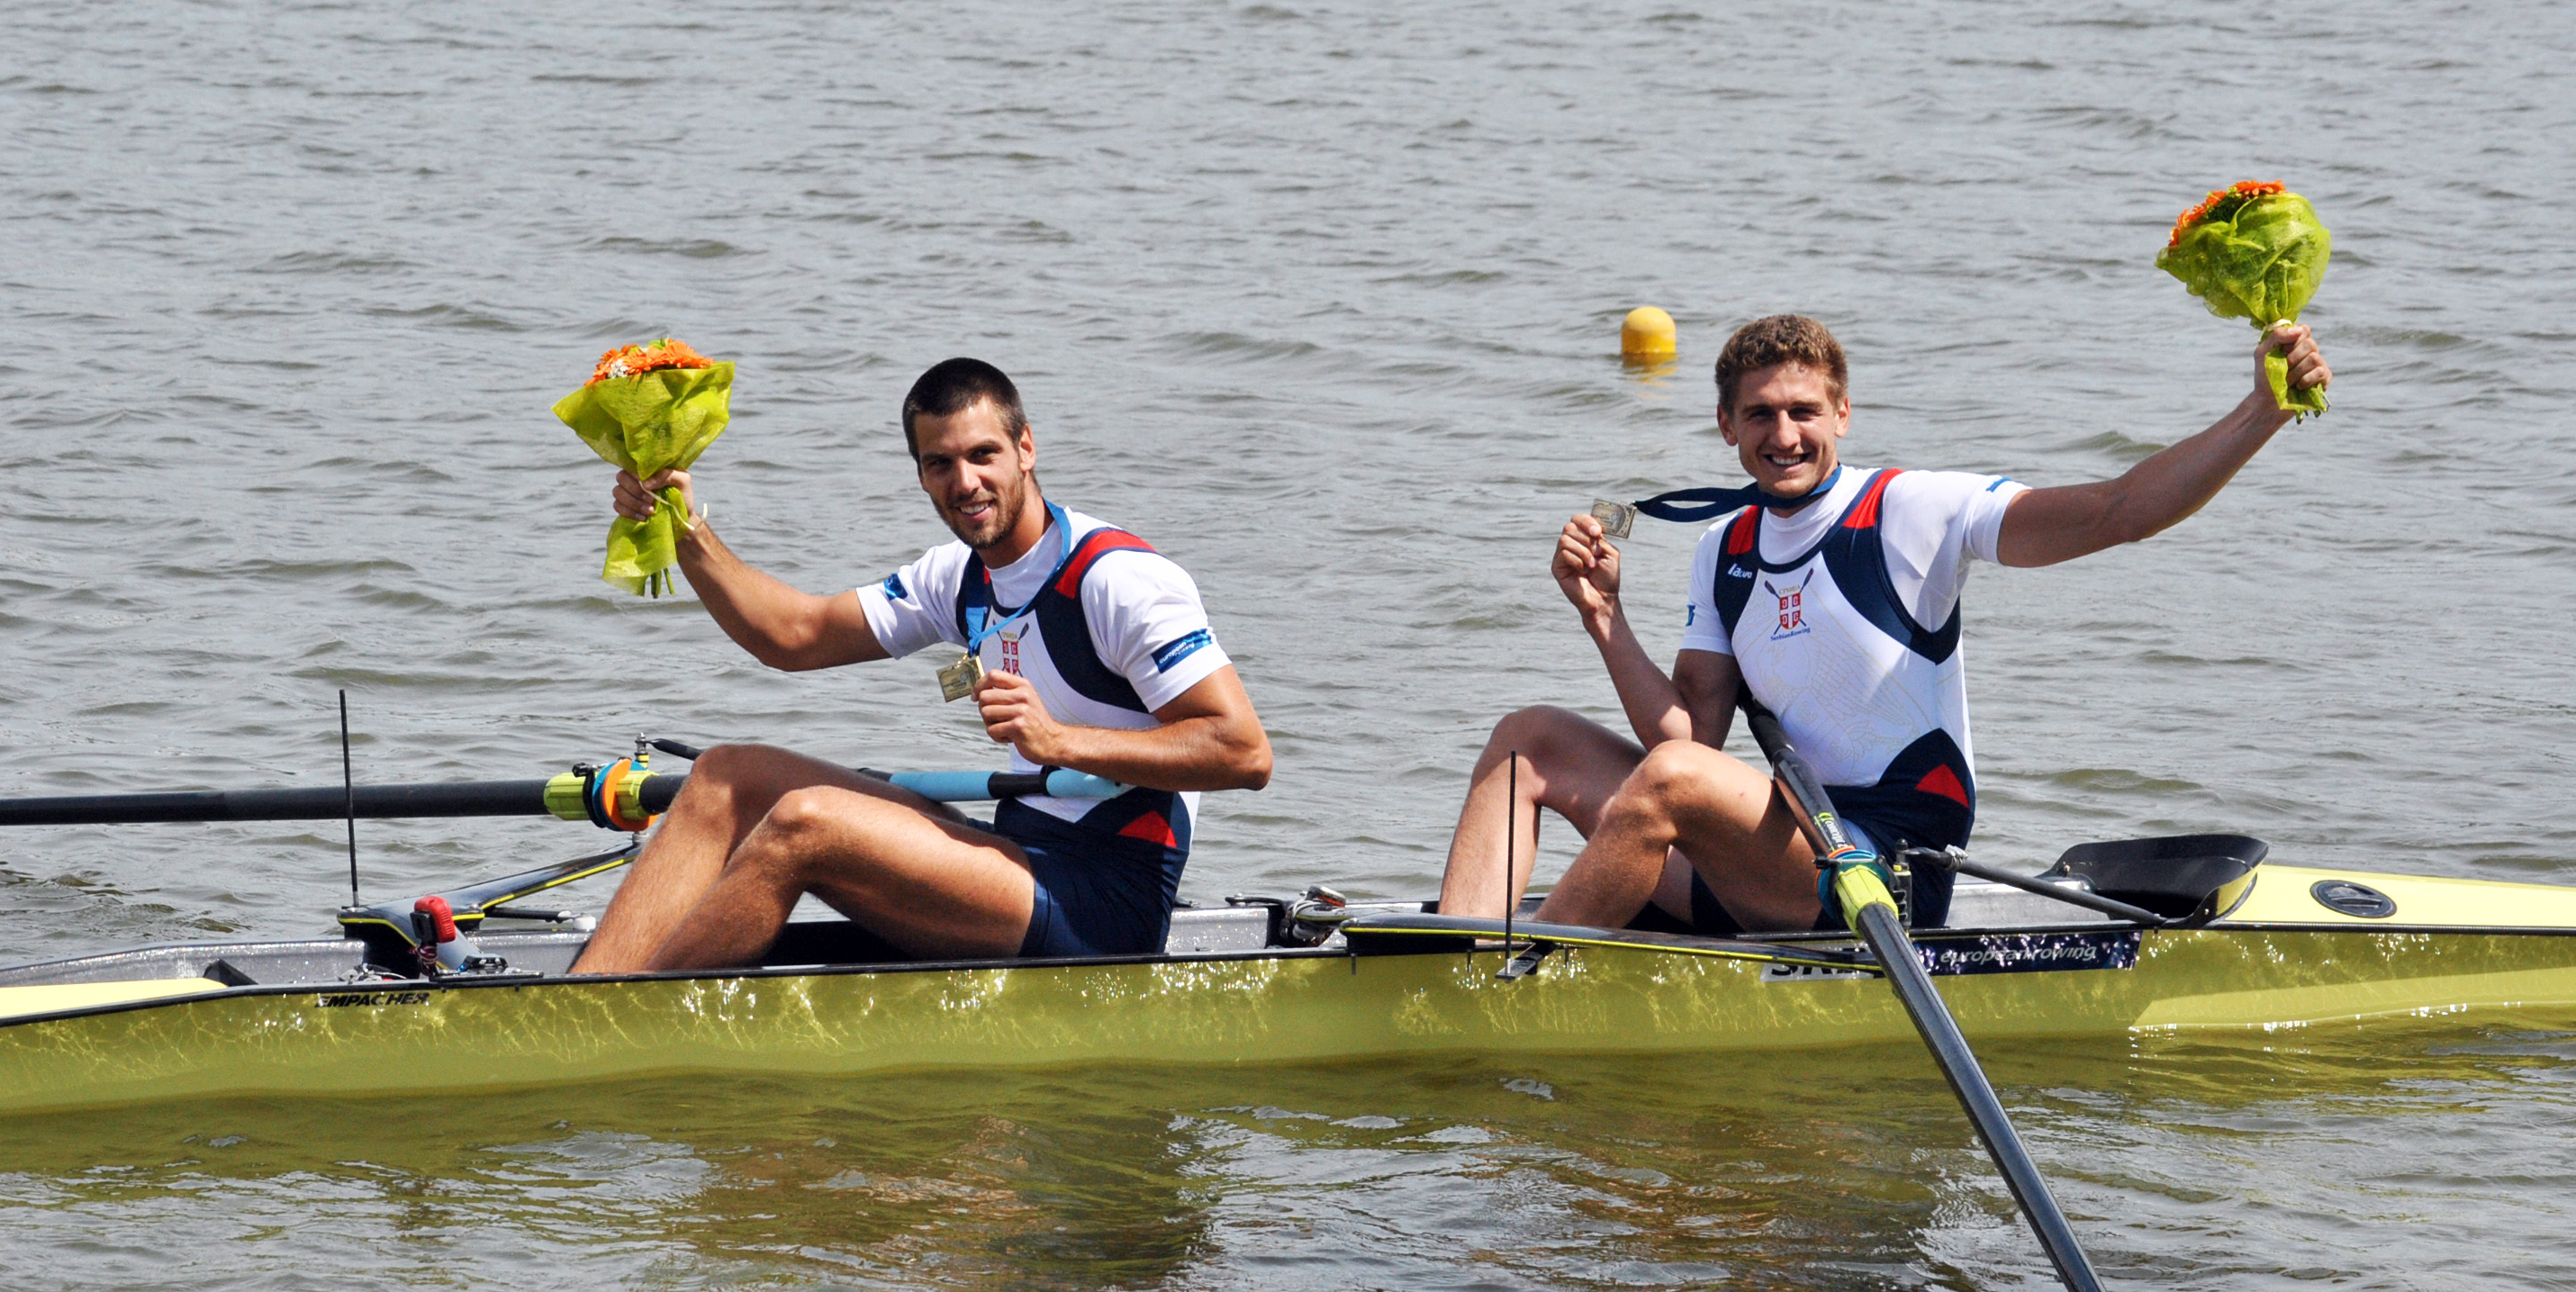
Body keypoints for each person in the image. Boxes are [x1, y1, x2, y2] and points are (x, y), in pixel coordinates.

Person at [1437, 312, 2332, 935]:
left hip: (1888, 874)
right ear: (1724, 427)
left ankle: (1524, 982)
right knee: (1531, 739)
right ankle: (1456, 956)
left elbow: (2117, 510)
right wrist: (1603, 619)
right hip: (1783, 859)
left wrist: (2261, 412)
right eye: (1758, 415)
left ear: (1841, 415)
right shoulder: (1723, 545)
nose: (1781, 435)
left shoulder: (1914, 511)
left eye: (1801, 412)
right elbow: (1690, 737)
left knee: (1669, 781)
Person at [573, 357, 1272, 973]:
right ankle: (579, 1002)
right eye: (939, 464)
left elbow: (1243, 752)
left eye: (983, 455)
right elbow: (792, 635)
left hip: (1105, 902)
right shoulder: (956, 576)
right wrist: (683, 525)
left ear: (1026, 449)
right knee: (728, 774)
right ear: (920, 475)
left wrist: (1061, 743)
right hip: (1018, 853)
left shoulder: (1117, 580)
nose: (965, 482)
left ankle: (630, 1024)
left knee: (804, 822)